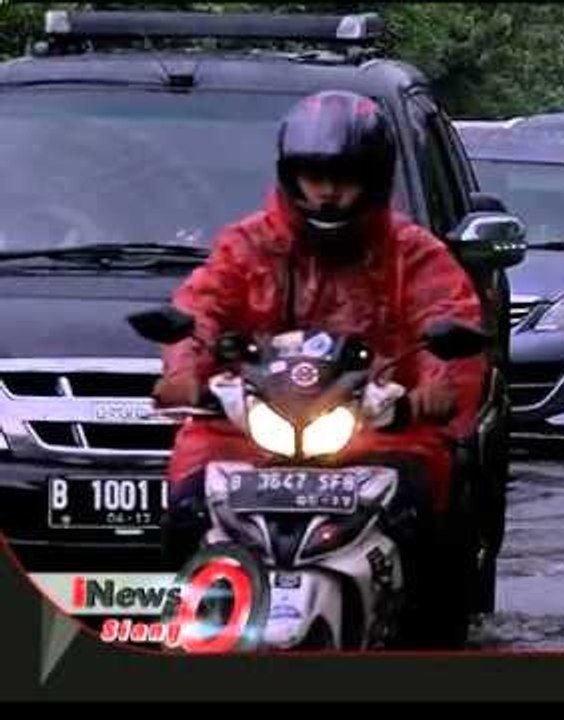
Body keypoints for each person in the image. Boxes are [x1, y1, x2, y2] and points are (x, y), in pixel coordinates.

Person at [152, 91, 488, 621]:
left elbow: (449, 316)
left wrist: (436, 387)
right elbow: (200, 309)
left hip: (380, 428)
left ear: (375, 179)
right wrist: (184, 373)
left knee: (427, 520)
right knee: (185, 509)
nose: (328, 194)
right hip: (249, 430)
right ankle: (197, 631)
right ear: (291, 175)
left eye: (345, 178)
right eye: (314, 177)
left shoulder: (414, 252)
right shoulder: (247, 245)